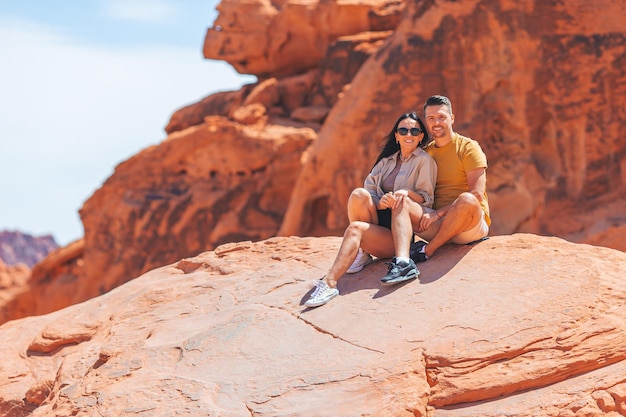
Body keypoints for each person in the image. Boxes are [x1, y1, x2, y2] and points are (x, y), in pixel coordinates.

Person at [304, 112, 437, 307]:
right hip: (378, 225)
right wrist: (380, 202)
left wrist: (406, 192)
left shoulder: (424, 161)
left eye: (414, 130)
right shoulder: (386, 162)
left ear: (420, 137)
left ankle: (329, 283)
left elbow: (427, 198)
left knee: (355, 229)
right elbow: (369, 191)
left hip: (397, 236)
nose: (409, 134)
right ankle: (363, 254)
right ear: (397, 136)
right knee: (359, 194)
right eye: (403, 130)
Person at [382, 95, 490, 285]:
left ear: (452, 118)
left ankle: (428, 250)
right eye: (431, 118)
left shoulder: (468, 148)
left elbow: (477, 195)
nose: (436, 123)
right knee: (402, 199)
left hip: (468, 226)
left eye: (441, 117)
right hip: (435, 224)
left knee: (467, 199)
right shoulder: (425, 153)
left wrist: (438, 214)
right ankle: (402, 262)